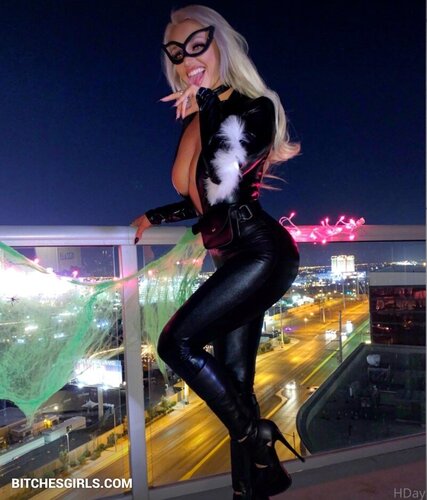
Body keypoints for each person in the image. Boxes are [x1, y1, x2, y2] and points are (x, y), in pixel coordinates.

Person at [131, 5, 303, 499]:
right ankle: (253, 485)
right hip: (230, 257)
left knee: (175, 344)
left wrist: (207, 106)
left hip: (262, 253)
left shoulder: (256, 107)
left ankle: (257, 436)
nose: (187, 61)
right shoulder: (198, 119)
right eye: (176, 53)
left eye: (196, 46)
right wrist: (154, 216)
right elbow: (201, 200)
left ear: (220, 45)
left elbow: (222, 182)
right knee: (236, 385)